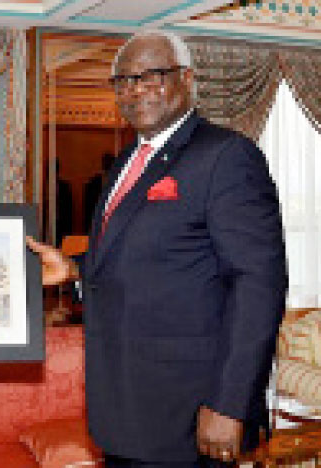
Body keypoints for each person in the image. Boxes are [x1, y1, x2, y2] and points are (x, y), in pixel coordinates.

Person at [27, 31, 287, 467]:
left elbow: (258, 284)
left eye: (152, 76)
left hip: (189, 414)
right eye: (124, 81)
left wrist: (230, 403)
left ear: (186, 79)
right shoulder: (127, 162)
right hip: (124, 413)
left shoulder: (226, 156)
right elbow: (138, 260)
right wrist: (73, 268)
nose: (135, 90)